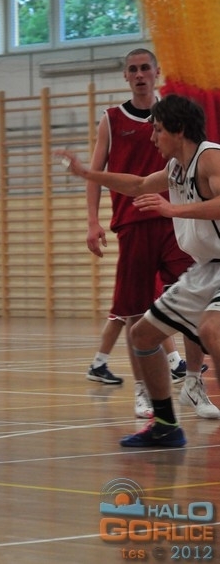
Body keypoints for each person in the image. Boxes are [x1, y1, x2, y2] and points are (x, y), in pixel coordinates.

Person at [59, 94, 220, 447]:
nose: (152, 137)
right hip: (207, 269)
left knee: (211, 330)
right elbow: (138, 184)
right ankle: (165, 426)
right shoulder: (177, 168)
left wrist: (173, 210)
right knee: (143, 335)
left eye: (158, 130)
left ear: (179, 130)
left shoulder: (210, 157)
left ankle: (191, 393)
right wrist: (87, 174)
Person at [84, 48, 214, 420]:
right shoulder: (112, 119)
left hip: (176, 222)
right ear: (125, 76)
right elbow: (107, 176)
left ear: (157, 72)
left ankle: (193, 383)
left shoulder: (176, 118)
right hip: (133, 221)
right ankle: (144, 390)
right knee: (134, 310)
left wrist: (181, 207)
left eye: (145, 68)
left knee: (195, 305)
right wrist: (92, 221)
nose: (139, 74)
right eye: (133, 69)